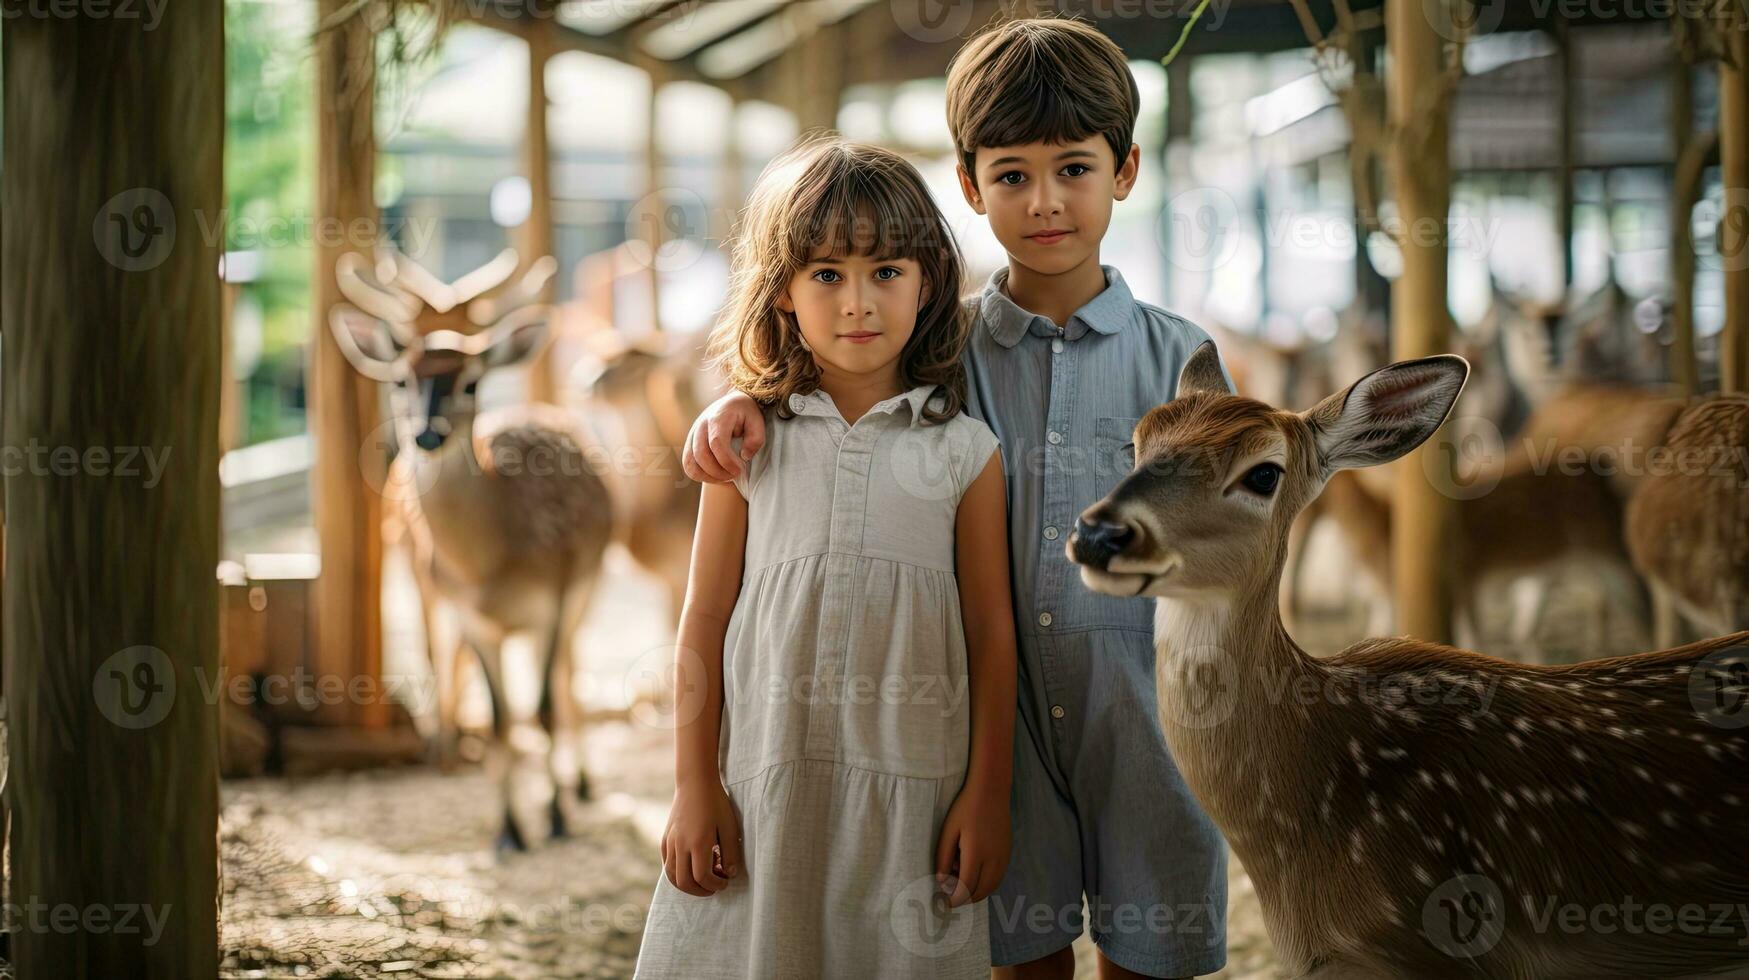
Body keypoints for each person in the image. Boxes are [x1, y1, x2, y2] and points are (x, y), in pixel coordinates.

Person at [682, 17, 1230, 980]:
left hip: (1148, 719)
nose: (1045, 201)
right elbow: (829, 389)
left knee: (1155, 957)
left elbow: (1225, 540)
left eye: (1074, 168)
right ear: (970, 187)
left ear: (1127, 169)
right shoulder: (941, 352)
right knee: (1023, 957)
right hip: (994, 731)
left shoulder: (1180, 357)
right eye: (1011, 175)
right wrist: (741, 397)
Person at [634, 136, 1018, 979]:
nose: (858, 302)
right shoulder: (745, 446)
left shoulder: (965, 453)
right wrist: (694, 786)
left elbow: (993, 630)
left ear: (928, 283)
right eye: (826, 274)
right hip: (763, 782)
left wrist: (988, 796)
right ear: (781, 290)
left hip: (914, 793)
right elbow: (702, 618)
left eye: (886, 272)